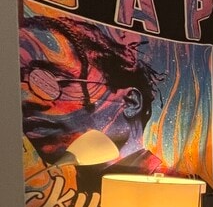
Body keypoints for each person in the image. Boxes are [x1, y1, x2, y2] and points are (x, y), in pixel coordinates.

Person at [20, 14, 165, 174]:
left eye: (54, 79)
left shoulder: (160, 183)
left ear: (131, 102)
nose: (27, 99)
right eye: (21, 82)